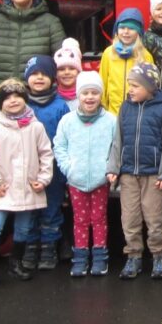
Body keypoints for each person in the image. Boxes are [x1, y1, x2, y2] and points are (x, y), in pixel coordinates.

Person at [0, 79, 54, 289]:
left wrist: (43, 179)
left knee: (23, 228)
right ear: (0, 104)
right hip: (3, 188)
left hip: (29, 186)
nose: (12, 101)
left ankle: (16, 263)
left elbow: (46, 154)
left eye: (17, 96)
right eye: (7, 98)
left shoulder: (36, 127)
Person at [105, 63, 162, 280]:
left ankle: (158, 255)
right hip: (128, 174)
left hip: (153, 174)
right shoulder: (125, 108)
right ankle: (133, 255)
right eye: (130, 85)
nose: (131, 90)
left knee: (154, 218)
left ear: (150, 87)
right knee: (130, 218)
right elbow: (118, 140)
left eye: (136, 85)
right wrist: (113, 168)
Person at [53, 70, 117, 277]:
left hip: (100, 179)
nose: (89, 97)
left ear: (100, 95)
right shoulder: (67, 121)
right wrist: (68, 168)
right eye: (85, 93)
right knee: (80, 220)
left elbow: (116, 147)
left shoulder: (110, 121)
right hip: (76, 179)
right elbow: (59, 147)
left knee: (99, 219)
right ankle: (79, 258)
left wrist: (109, 169)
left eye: (94, 93)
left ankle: (100, 258)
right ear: (78, 95)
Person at [21, 55, 70, 271]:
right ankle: (31, 246)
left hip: (53, 169)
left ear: (52, 79)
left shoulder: (61, 106)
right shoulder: (20, 105)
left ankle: (49, 245)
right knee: (29, 209)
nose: (39, 78)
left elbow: (67, 138)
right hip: (25, 168)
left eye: (44, 74)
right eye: (34, 74)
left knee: (51, 208)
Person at [99, 7, 155, 115]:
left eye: (131, 28)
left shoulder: (145, 56)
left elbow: (150, 88)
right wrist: (103, 110)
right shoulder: (108, 53)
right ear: (117, 30)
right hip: (112, 114)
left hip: (136, 114)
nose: (126, 32)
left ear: (138, 32)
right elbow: (103, 83)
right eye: (122, 28)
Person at [53, 37, 84, 109]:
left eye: (72, 68)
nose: (67, 72)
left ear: (79, 72)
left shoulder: (87, 97)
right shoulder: (50, 98)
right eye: (61, 69)